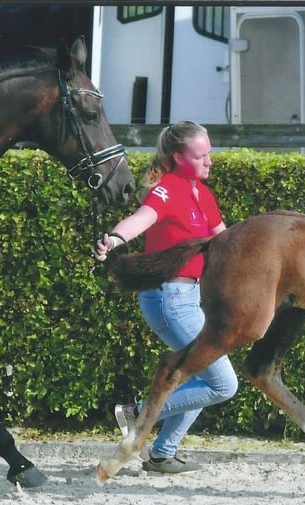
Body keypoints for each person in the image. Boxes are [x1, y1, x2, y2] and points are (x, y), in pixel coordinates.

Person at [94, 121, 238, 474]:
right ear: (177, 157)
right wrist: (113, 239)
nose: (209, 161)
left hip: (191, 299)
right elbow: (140, 220)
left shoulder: (202, 194)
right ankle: (137, 413)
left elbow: (229, 241)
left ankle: (162, 454)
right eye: (200, 155)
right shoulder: (168, 189)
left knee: (197, 376)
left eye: (209, 153)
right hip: (168, 299)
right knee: (223, 385)